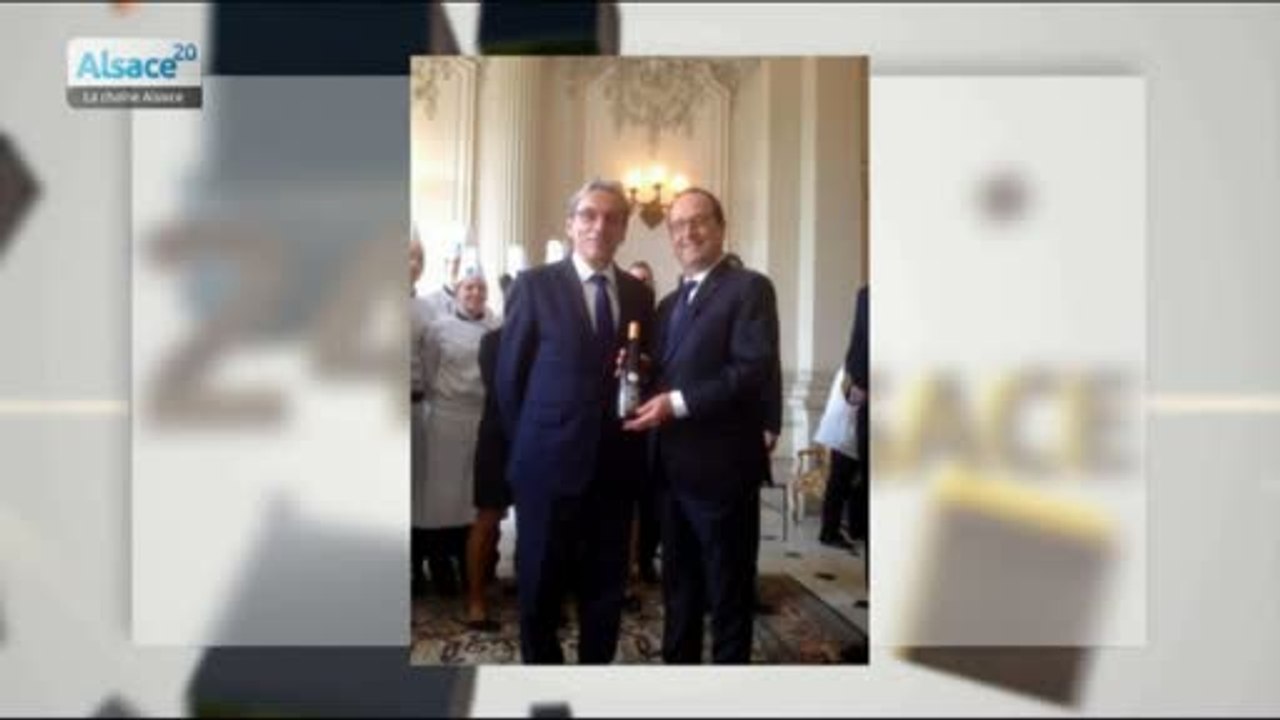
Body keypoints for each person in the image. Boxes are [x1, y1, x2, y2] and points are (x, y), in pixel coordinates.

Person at [496, 179, 656, 664]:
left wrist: (646, 371)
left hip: (615, 469)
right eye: (588, 215)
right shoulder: (533, 286)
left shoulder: (639, 295)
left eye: (612, 218)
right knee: (539, 592)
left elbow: (644, 371)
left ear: (624, 229)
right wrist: (527, 453)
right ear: (570, 224)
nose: (599, 226)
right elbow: (509, 381)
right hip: (546, 469)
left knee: (605, 594)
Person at [624, 187, 781, 664]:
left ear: (721, 227)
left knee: (728, 594)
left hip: (723, 473)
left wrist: (676, 403)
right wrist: (637, 370)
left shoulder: (749, 288)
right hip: (670, 473)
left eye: (698, 221)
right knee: (679, 588)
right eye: (677, 225)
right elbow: (665, 371)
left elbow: (751, 369)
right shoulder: (667, 304)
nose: (686, 232)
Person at [414, 270, 500, 596]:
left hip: (482, 418)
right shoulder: (439, 328)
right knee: (444, 497)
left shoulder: (495, 326)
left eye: (481, 287)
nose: (475, 293)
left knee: (474, 497)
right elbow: (429, 370)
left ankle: (473, 568)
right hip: (446, 418)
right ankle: (442, 566)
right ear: (457, 291)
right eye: (469, 287)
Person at [465, 324, 509, 631]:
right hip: (498, 438)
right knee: (488, 518)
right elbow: (502, 387)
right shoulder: (492, 340)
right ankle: (476, 601)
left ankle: (539, 593)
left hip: (538, 438)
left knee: (539, 523)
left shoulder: (552, 335)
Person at [820, 285, 868, 552]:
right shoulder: (854, 371)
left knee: (847, 482)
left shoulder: (853, 366)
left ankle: (851, 528)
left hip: (849, 430)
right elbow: (851, 399)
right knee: (840, 481)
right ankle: (831, 530)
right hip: (847, 429)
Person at [623, 259, 661, 589]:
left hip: (657, 417)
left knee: (650, 497)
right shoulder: (619, 315)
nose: (640, 285)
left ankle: (645, 559)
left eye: (645, 280)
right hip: (623, 419)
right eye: (634, 280)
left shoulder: (662, 318)